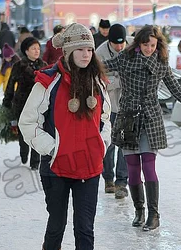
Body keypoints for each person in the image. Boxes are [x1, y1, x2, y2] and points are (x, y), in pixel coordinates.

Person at [103, 25, 181, 231]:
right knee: (132, 169)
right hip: (128, 119)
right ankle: (139, 210)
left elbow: (178, 92)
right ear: (138, 43)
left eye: (153, 45)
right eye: (145, 44)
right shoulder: (125, 59)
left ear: (158, 45)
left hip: (150, 119)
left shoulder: (161, 63)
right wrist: (79, 61)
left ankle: (154, 215)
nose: (149, 49)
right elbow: (103, 66)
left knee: (148, 165)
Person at [18, 23, 111, 250]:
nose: (86, 55)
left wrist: (101, 145)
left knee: (85, 230)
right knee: (56, 227)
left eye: (89, 49)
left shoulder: (98, 82)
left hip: (89, 168)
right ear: (68, 51)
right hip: (56, 167)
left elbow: (105, 119)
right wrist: (53, 149)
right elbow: (27, 122)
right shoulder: (49, 82)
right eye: (80, 50)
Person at [96, 24, 130, 199]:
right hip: (108, 107)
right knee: (109, 144)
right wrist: (119, 81)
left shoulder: (131, 48)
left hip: (127, 106)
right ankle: (108, 178)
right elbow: (99, 80)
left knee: (125, 144)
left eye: (121, 43)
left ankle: (121, 182)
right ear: (109, 42)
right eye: (116, 44)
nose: (119, 47)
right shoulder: (100, 53)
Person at [3, 37, 47, 170]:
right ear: (26, 51)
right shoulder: (19, 66)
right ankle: (23, 150)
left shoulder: (43, 65)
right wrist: (7, 101)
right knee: (23, 131)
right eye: (33, 48)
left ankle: (35, 161)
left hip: (38, 103)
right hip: (22, 102)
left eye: (38, 48)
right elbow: (11, 84)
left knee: (37, 131)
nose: (37, 51)